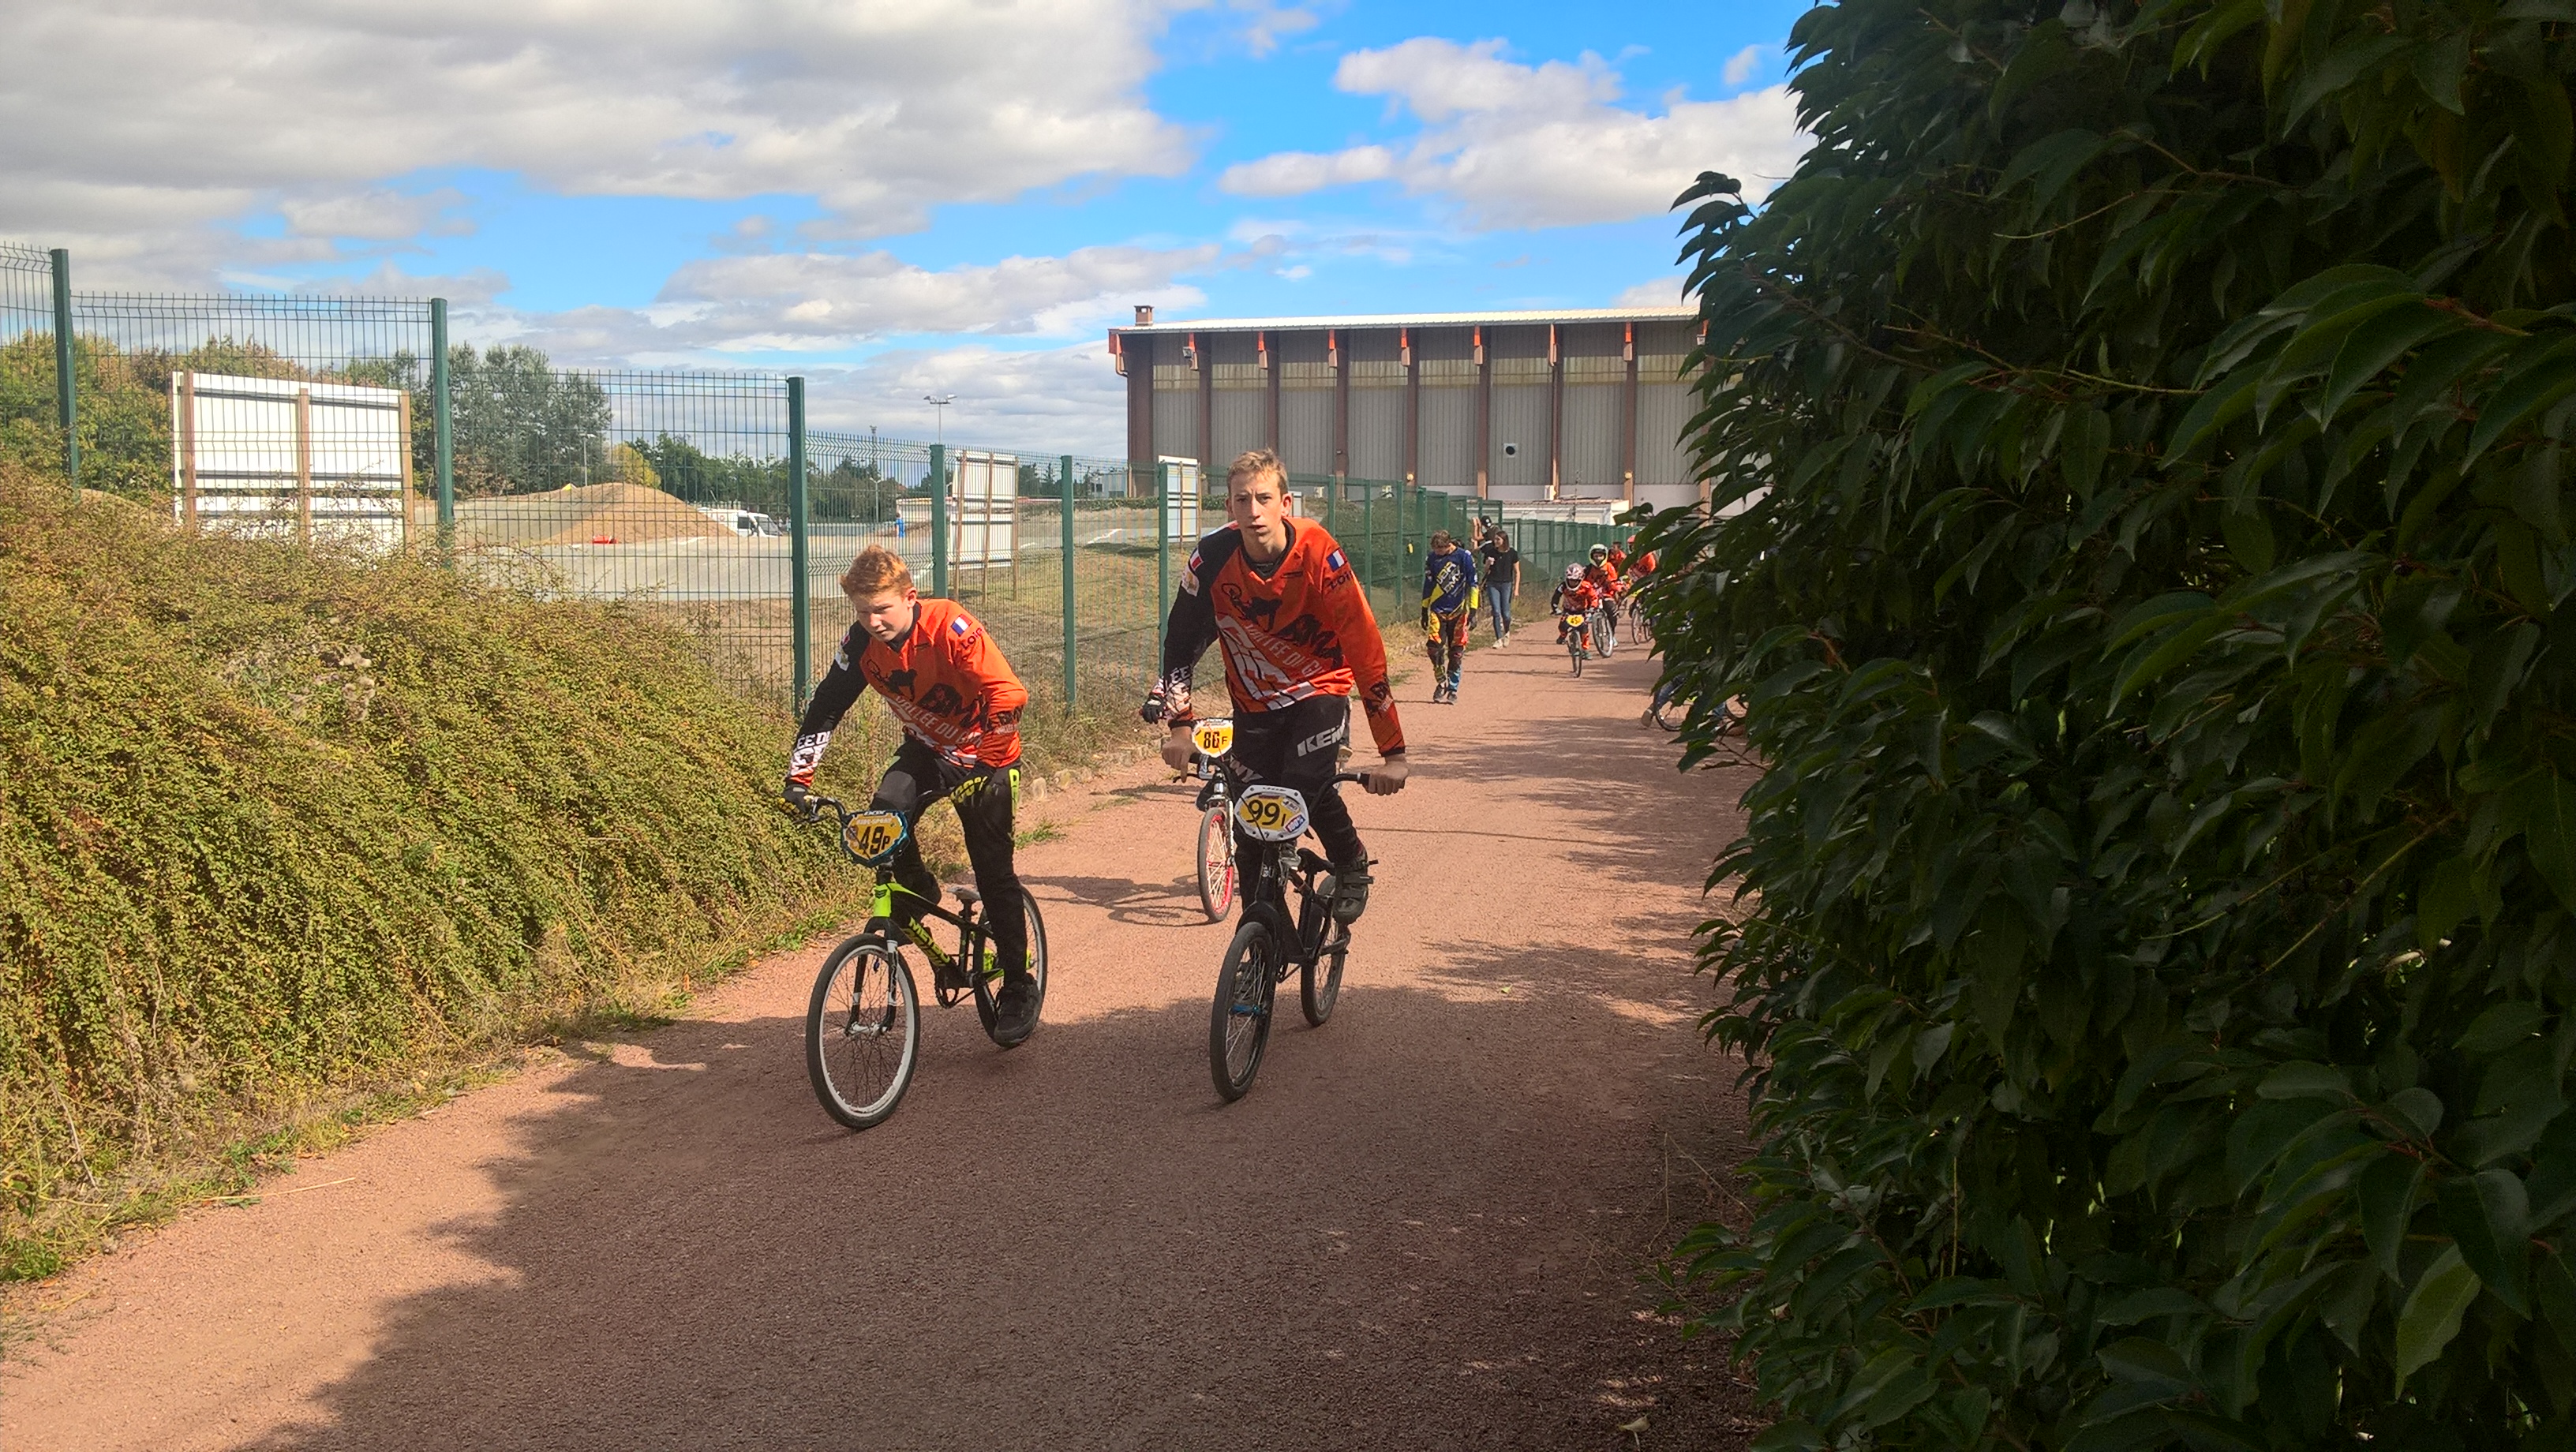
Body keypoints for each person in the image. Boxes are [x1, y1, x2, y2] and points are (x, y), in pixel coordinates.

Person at [784, 545, 1040, 1043]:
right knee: (883, 818)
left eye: (882, 609)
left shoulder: (950, 626)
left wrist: (988, 762)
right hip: (926, 752)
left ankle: (1017, 985)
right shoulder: (862, 643)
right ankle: (919, 887)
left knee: (993, 872)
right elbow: (826, 707)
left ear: (909, 597)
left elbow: (1007, 695)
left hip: (985, 754)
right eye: (862, 611)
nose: (873, 621)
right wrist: (799, 779)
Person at [1145, 448, 1408, 924]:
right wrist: (1180, 727)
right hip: (1254, 702)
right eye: (1242, 500)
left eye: (1263, 498)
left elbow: (1366, 651)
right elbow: (1179, 643)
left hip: (1319, 688)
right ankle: (1262, 944)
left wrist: (1394, 753)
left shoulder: (1320, 552)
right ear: (1229, 507)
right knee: (1249, 833)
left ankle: (1351, 865)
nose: (1253, 511)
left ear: (1286, 504)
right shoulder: (1211, 558)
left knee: (1306, 783)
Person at [1420, 528, 1477, 704]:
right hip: (1437, 610)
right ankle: (1441, 681)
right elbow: (1428, 584)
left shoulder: (1464, 557)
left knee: (1456, 652)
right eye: (1435, 550)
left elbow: (1473, 584)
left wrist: (1473, 610)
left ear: (1448, 545)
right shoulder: (1431, 559)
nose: (1437, 553)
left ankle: (1453, 689)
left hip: (1459, 611)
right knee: (1433, 648)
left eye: (1440, 550)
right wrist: (1424, 609)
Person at [1478, 528, 1521, 644]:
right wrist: (1487, 564)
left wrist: (1516, 589)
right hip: (1493, 583)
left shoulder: (1512, 553)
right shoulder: (1491, 552)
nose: (1495, 541)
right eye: (1495, 539)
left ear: (1504, 540)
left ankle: (1507, 632)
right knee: (1496, 611)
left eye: (1498, 539)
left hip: (1506, 584)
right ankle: (1498, 639)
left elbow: (1517, 572)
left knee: (1506, 613)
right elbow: (1486, 570)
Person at [1552, 562, 1604, 653]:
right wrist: (1555, 608)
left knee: (1584, 630)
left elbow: (1594, 597)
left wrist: (1593, 607)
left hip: (1583, 611)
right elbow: (1556, 597)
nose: (1572, 583)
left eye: (1575, 580)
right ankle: (1563, 636)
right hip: (1567, 611)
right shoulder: (1563, 586)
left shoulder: (1586, 586)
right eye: (1570, 580)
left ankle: (1585, 650)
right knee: (1562, 626)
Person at [1582, 543, 1623, 657]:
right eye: (1596, 556)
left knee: (1612, 612)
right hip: (1592, 596)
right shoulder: (1588, 569)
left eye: (1600, 556)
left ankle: (1611, 635)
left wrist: (1616, 587)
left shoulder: (1609, 567)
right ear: (1592, 556)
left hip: (1606, 595)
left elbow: (1614, 581)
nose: (1598, 558)